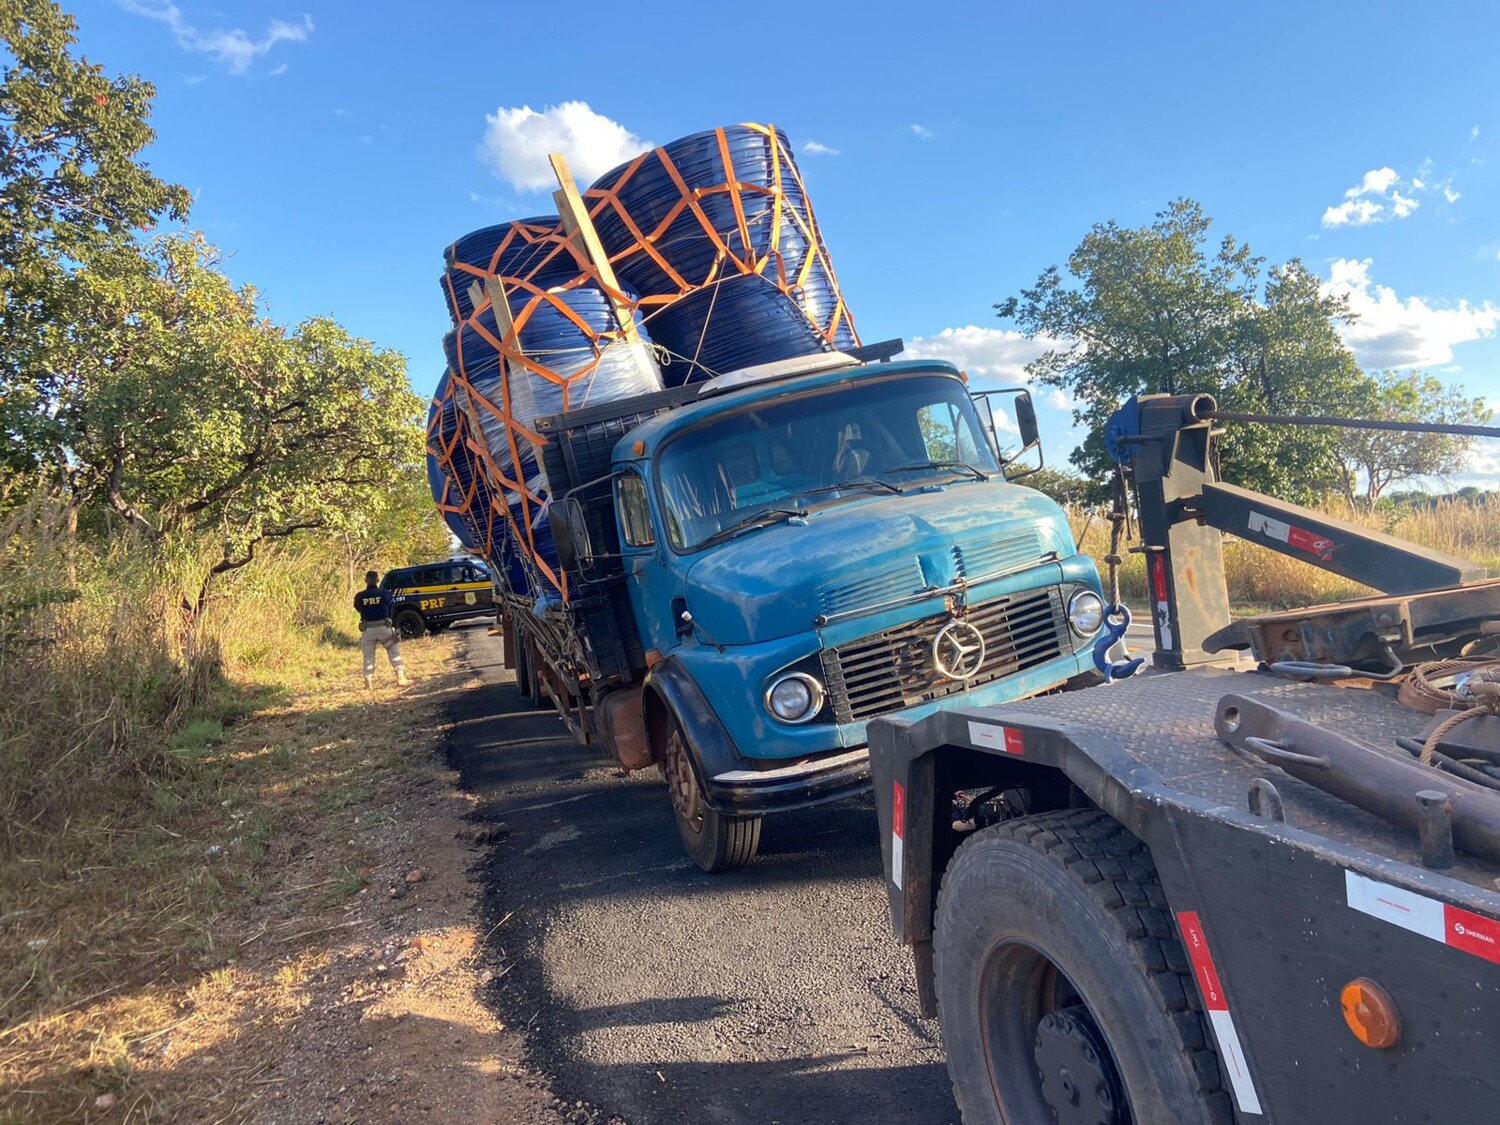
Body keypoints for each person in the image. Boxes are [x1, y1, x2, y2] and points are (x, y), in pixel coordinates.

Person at [354, 570, 408, 688]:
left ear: (365, 581)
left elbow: (358, 609)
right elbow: (391, 607)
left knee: (368, 656)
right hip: (384, 627)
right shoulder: (384, 593)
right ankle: (400, 677)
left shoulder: (359, 596)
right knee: (393, 650)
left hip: (368, 629)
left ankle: (368, 682)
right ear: (378, 580)